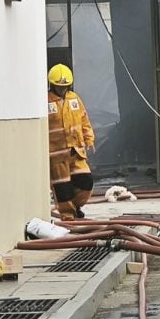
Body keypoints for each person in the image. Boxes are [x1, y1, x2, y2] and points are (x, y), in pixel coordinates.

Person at [46, 64, 96, 221]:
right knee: (62, 188)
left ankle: (75, 207)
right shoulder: (45, 101)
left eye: (65, 87)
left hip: (76, 151)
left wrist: (89, 139)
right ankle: (68, 217)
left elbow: (84, 121)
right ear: (52, 85)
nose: (62, 90)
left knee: (86, 182)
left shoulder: (74, 99)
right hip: (56, 155)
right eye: (59, 87)